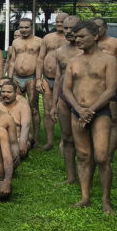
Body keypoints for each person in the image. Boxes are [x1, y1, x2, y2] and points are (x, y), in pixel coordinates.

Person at [62, 20, 117, 214]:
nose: (77, 40)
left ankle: (105, 199)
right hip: (77, 111)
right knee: (83, 155)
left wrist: (91, 109)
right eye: (76, 37)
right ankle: (85, 196)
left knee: (102, 156)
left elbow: (111, 89)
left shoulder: (109, 60)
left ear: (95, 36)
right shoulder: (73, 61)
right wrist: (79, 108)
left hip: (100, 112)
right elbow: (66, 89)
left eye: (82, 36)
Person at [93, 17, 117, 159]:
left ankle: (109, 154)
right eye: (93, 27)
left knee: (113, 120)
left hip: (112, 85)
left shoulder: (116, 43)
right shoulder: (88, 42)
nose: (96, 30)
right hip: (92, 86)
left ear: (106, 27)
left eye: (99, 26)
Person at [52, 15, 82, 184]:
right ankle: (71, 176)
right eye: (66, 28)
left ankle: (87, 175)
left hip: (83, 99)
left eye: (73, 28)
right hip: (64, 99)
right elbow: (58, 78)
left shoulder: (87, 50)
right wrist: (53, 103)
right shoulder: (60, 52)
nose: (69, 32)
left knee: (84, 142)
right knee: (67, 138)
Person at [8, 18, 45, 144]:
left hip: (32, 78)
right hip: (17, 78)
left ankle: (36, 137)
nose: (23, 30)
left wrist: (39, 79)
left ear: (32, 27)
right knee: (16, 106)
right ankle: (17, 135)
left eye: (26, 27)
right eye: (21, 27)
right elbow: (12, 61)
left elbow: (41, 61)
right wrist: (9, 79)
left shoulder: (39, 42)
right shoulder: (15, 42)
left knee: (33, 108)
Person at [40, 13, 68, 151]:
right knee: (46, 111)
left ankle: (64, 141)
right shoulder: (47, 38)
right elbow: (40, 58)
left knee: (63, 112)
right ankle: (49, 141)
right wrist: (39, 78)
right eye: (57, 21)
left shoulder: (71, 39)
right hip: (47, 78)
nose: (59, 23)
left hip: (64, 80)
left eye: (62, 21)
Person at [0, 81, 31, 158]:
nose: (5, 94)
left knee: (25, 145)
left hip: (18, 139)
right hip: (1, 140)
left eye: (9, 92)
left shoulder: (23, 107)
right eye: (3, 92)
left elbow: (25, 126)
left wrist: (22, 144)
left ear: (16, 93)